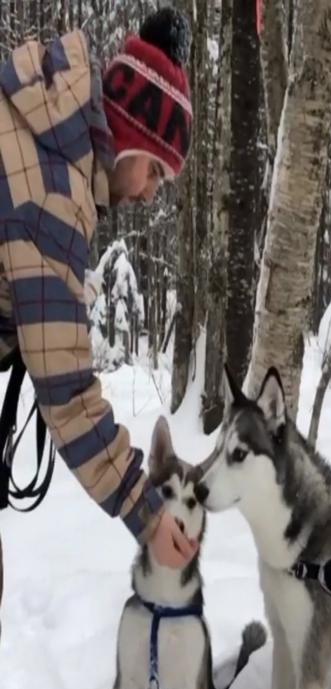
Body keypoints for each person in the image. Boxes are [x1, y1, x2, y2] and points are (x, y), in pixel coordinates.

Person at [0, 7, 198, 574]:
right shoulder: (51, 194)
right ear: (132, 140)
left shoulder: (41, 133)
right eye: (156, 173)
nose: (148, 195)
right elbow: (68, 396)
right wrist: (149, 516)